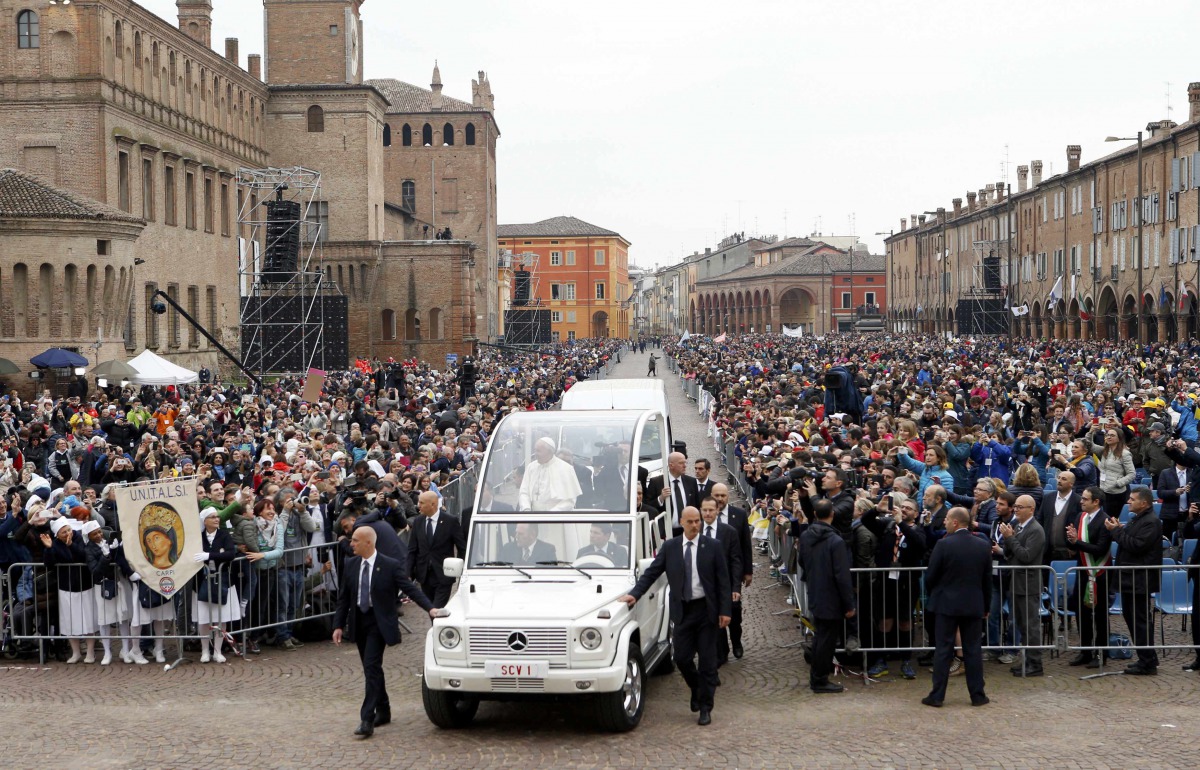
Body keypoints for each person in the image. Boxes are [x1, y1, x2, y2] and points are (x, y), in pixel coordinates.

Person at [619, 507, 731, 726]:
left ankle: (706, 707)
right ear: (681, 522)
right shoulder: (670, 548)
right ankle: (696, 687)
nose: (695, 525)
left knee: (708, 663)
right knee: (682, 658)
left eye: (697, 521)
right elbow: (652, 572)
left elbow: (723, 581)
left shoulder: (713, 547)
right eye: (690, 522)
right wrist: (635, 595)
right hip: (683, 611)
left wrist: (725, 610)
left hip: (706, 611)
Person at [332, 526, 439, 738]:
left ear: (368, 543)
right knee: (371, 668)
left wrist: (430, 608)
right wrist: (337, 625)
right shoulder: (351, 564)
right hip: (359, 622)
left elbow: (410, 589)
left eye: (355, 540)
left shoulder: (389, 565)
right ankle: (384, 708)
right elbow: (344, 598)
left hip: (378, 623)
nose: (350, 544)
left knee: (372, 666)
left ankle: (366, 719)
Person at [922, 507, 992, 708]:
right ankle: (978, 695)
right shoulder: (982, 545)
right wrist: (985, 605)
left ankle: (937, 695)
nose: (943, 523)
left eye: (946, 520)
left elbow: (931, 576)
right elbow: (987, 580)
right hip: (973, 604)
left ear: (955, 522)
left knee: (943, 650)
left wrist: (936, 593)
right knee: (973, 650)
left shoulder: (943, 545)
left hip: (946, 604)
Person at [796, 498, 855, 694]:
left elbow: (802, 561)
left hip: (814, 590)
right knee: (826, 640)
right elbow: (842, 575)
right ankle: (819, 679)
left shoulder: (806, 536)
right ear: (832, 514)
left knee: (821, 637)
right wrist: (849, 604)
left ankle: (818, 677)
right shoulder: (835, 541)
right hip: (831, 596)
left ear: (814, 514)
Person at [1106, 486, 1162, 675]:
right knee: (1134, 620)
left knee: (1139, 621)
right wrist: (1120, 529)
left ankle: (1147, 662)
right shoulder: (1139, 519)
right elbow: (1132, 538)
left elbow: (1137, 545)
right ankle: (1146, 658)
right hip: (1132, 579)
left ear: (1144, 503)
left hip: (1140, 580)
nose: (1128, 502)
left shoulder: (1151, 522)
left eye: (1132, 499)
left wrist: (1116, 532)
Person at [1065, 487, 1112, 668]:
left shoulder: (1105, 520)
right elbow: (1077, 546)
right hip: (1083, 572)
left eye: (1085, 499)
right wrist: (1071, 539)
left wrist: (1077, 542)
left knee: (1100, 615)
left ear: (1096, 502)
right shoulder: (1080, 517)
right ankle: (1085, 651)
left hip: (1100, 574)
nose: (1081, 501)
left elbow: (1100, 549)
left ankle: (1101, 653)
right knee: (1081, 612)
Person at [999, 494, 1045, 676]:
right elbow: (1011, 555)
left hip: (1028, 584)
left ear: (1031, 509)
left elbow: (1026, 556)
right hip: (1016, 582)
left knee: (1030, 626)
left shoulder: (1036, 530)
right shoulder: (1018, 526)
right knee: (1021, 625)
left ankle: (1035, 663)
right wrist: (1007, 539)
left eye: (1020, 507)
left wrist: (1010, 538)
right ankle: (1026, 660)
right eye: (1015, 507)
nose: (1016, 509)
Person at [192, 506, 241, 664]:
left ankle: (218, 651)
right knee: (204, 618)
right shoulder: (199, 537)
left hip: (222, 580)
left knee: (221, 618)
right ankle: (205, 650)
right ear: (204, 521)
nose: (216, 519)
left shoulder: (224, 535)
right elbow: (194, 556)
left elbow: (230, 554)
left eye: (217, 517)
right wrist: (218, 554)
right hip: (203, 581)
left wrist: (210, 555)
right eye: (212, 517)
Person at [698, 496, 742, 664]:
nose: (708, 514)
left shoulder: (729, 531)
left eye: (711, 510)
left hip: (727, 583)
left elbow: (735, 560)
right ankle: (721, 653)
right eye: (705, 510)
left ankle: (736, 640)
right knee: (714, 618)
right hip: (707, 585)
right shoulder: (697, 529)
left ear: (717, 511)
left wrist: (736, 587)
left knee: (734, 616)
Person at [407, 490, 466, 608]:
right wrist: (408, 572)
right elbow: (412, 549)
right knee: (430, 609)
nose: (418, 505)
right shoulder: (418, 521)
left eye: (422, 502)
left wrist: (461, 570)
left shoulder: (450, 521)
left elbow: (462, 547)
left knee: (437, 609)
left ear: (433, 504)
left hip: (443, 575)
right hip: (424, 576)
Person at [517, 437, 582, 511]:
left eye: (538, 451)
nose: (535, 454)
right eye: (535, 450)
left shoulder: (566, 469)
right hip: (532, 517)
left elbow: (569, 501)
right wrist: (526, 509)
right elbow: (524, 492)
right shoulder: (531, 467)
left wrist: (549, 515)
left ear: (549, 452)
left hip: (556, 519)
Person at [646, 452, 700, 534]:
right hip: (666, 531)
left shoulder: (691, 481)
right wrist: (660, 498)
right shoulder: (657, 482)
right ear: (671, 465)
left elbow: (696, 504)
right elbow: (648, 505)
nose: (685, 465)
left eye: (685, 462)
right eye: (681, 463)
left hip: (688, 530)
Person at [1037, 470, 1080, 563]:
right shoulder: (1048, 497)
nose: (1059, 481)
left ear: (1071, 484)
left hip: (1068, 552)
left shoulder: (1078, 501)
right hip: (1047, 551)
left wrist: (1075, 547)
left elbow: (1080, 526)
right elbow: (1040, 519)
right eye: (1059, 478)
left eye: (1064, 479)